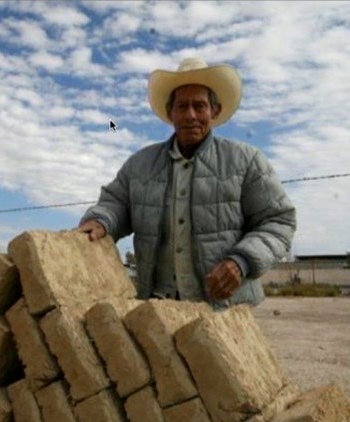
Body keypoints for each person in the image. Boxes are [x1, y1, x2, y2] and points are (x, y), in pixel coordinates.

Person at [79, 58, 296, 309]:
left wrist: (241, 262)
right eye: (182, 106)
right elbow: (115, 204)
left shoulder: (246, 161)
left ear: (215, 111)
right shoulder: (140, 165)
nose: (190, 115)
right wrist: (101, 220)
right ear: (171, 113)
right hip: (157, 309)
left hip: (223, 312)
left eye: (199, 106)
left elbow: (279, 221)